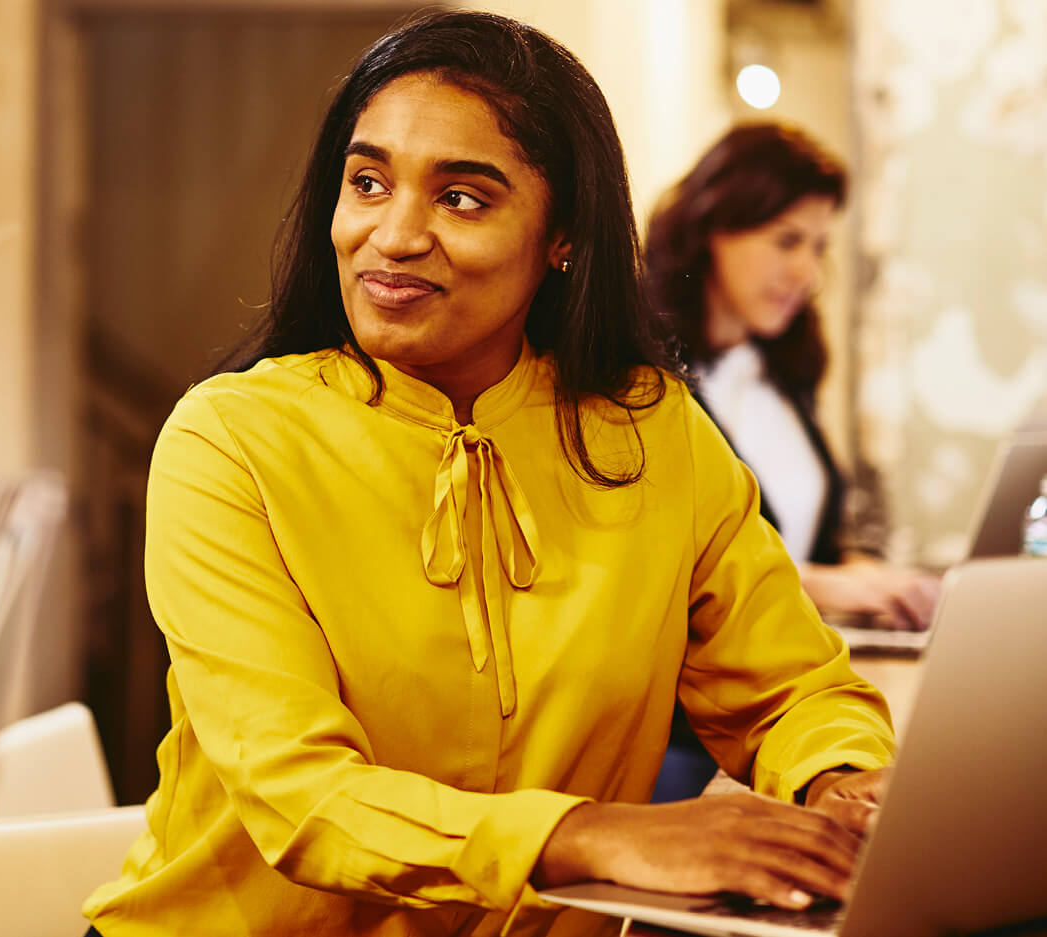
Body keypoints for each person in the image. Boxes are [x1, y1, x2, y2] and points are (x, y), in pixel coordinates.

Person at [82, 12, 894, 937]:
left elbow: (794, 687)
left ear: (562, 236)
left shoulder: (652, 430)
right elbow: (300, 794)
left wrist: (844, 785)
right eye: (367, 182)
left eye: (461, 198)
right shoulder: (230, 439)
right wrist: (593, 834)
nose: (392, 235)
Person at [643, 124, 940, 804]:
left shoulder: (781, 374)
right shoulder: (640, 379)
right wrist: (828, 586)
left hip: (786, 710)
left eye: (817, 247)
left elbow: (809, 540)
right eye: (786, 240)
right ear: (713, 225)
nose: (807, 272)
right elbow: (665, 569)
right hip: (691, 738)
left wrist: (869, 576)